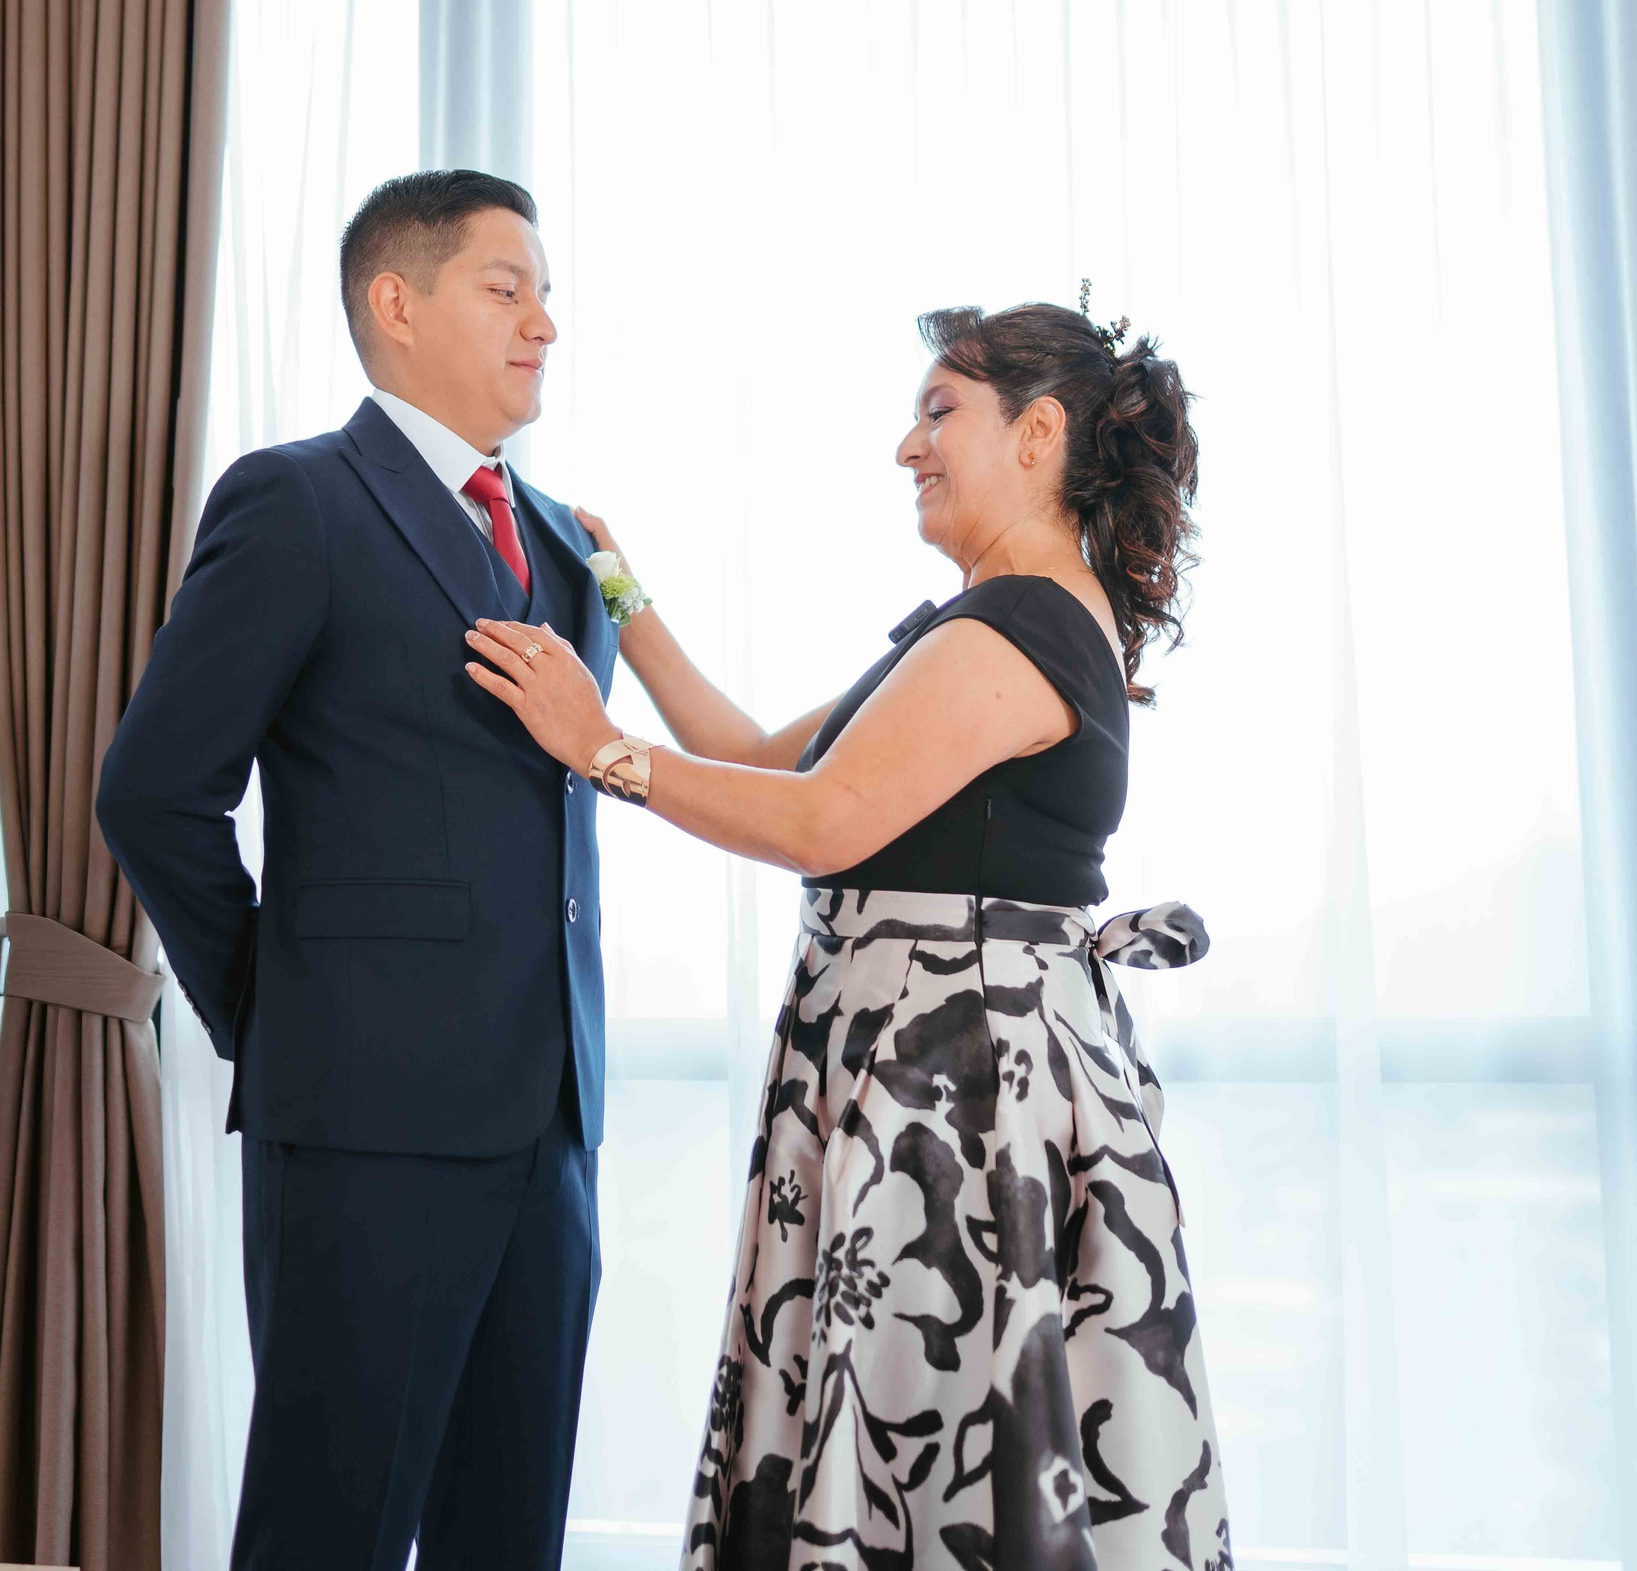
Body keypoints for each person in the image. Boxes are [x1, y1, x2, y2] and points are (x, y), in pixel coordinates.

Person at [463, 297, 1234, 1569]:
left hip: (957, 1094)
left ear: (1037, 433)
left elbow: (820, 820)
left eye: (939, 412)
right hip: (930, 1071)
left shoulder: (1018, 625)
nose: (906, 445)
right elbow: (756, 755)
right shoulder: (983, 622)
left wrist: (592, 746)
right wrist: (614, 585)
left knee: (934, 1431)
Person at [95, 170, 611, 1570]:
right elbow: (153, 792)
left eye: (548, 293)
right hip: (364, 1123)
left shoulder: (567, 542)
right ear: (396, 303)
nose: (545, 323)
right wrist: (275, 1004)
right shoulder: (300, 501)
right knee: (332, 1529)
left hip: (552, 1125)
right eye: (508, 288)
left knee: (512, 1536)